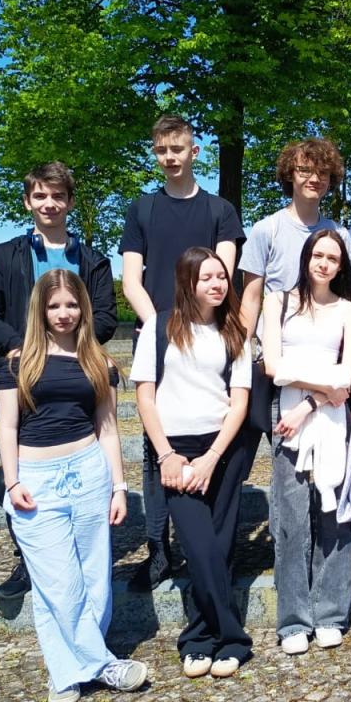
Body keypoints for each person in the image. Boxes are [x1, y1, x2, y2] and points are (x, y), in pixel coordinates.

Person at [0, 269, 146, 702]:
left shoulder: (101, 363)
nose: (64, 313)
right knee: (58, 583)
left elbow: (108, 429)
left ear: (84, 308)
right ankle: (104, 665)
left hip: (88, 473)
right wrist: (13, 480)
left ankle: (65, 673)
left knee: (95, 579)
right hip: (35, 479)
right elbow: (7, 428)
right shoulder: (16, 362)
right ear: (40, 311)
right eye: (54, 306)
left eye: (72, 304)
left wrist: (119, 487)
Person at [0, 161, 119, 601]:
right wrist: (21, 347)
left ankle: (81, 547)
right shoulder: (5, 255)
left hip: (76, 370)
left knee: (84, 456)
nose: (49, 203)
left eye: (57, 196)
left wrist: (76, 350)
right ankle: (29, 557)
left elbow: (106, 316)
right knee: (14, 466)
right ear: (27, 202)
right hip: (22, 371)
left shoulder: (93, 260)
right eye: (40, 195)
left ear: (69, 202)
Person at [121, 115, 244, 592]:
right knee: (156, 446)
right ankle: (159, 550)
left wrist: (194, 325)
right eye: (162, 150)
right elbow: (131, 280)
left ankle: (208, 543)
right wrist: (162, 328)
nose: (170, 157)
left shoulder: (220, 211)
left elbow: (221, 276)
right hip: (159, 337)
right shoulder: (142, 209)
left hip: (209, 338)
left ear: (195, 152)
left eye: (178, 149)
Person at [131, 247, 254, 679]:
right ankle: (233, 638)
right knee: (199, 548)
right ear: (188, 282)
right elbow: (145, 397)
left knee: (219, 549)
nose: (217, 284)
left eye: (221, 277)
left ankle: (201, 638)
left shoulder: (234, 330)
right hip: (175, 450)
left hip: (223, 449)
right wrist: (166, 454)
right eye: (207, 278)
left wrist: (212, 458)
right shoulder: (159, 327)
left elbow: (239, 402)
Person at [238, 138, 351, 518]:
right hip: (278, 368)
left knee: (330, 466)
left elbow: (347, 297)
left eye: (322, 172)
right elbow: (251, 298)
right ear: (290, 174)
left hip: (327, 368)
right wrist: (242, 354)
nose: (314, 178)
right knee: (288, 476)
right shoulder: (266, 230)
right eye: (305, 170)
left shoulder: (339, 235)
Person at [262, 231, 351, 654]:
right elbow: (273, 365)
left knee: (333, 515)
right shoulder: (278, 302)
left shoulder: (350, 310)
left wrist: (310, 400)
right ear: (306, 258)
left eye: (332, 258)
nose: (323, 263)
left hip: (329, 418)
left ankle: (330, 613)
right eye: (318, 255)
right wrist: (319, 391)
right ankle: (293, 620)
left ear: (341, 266)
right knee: (291, 518)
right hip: (287, 417)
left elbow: (348, 375)